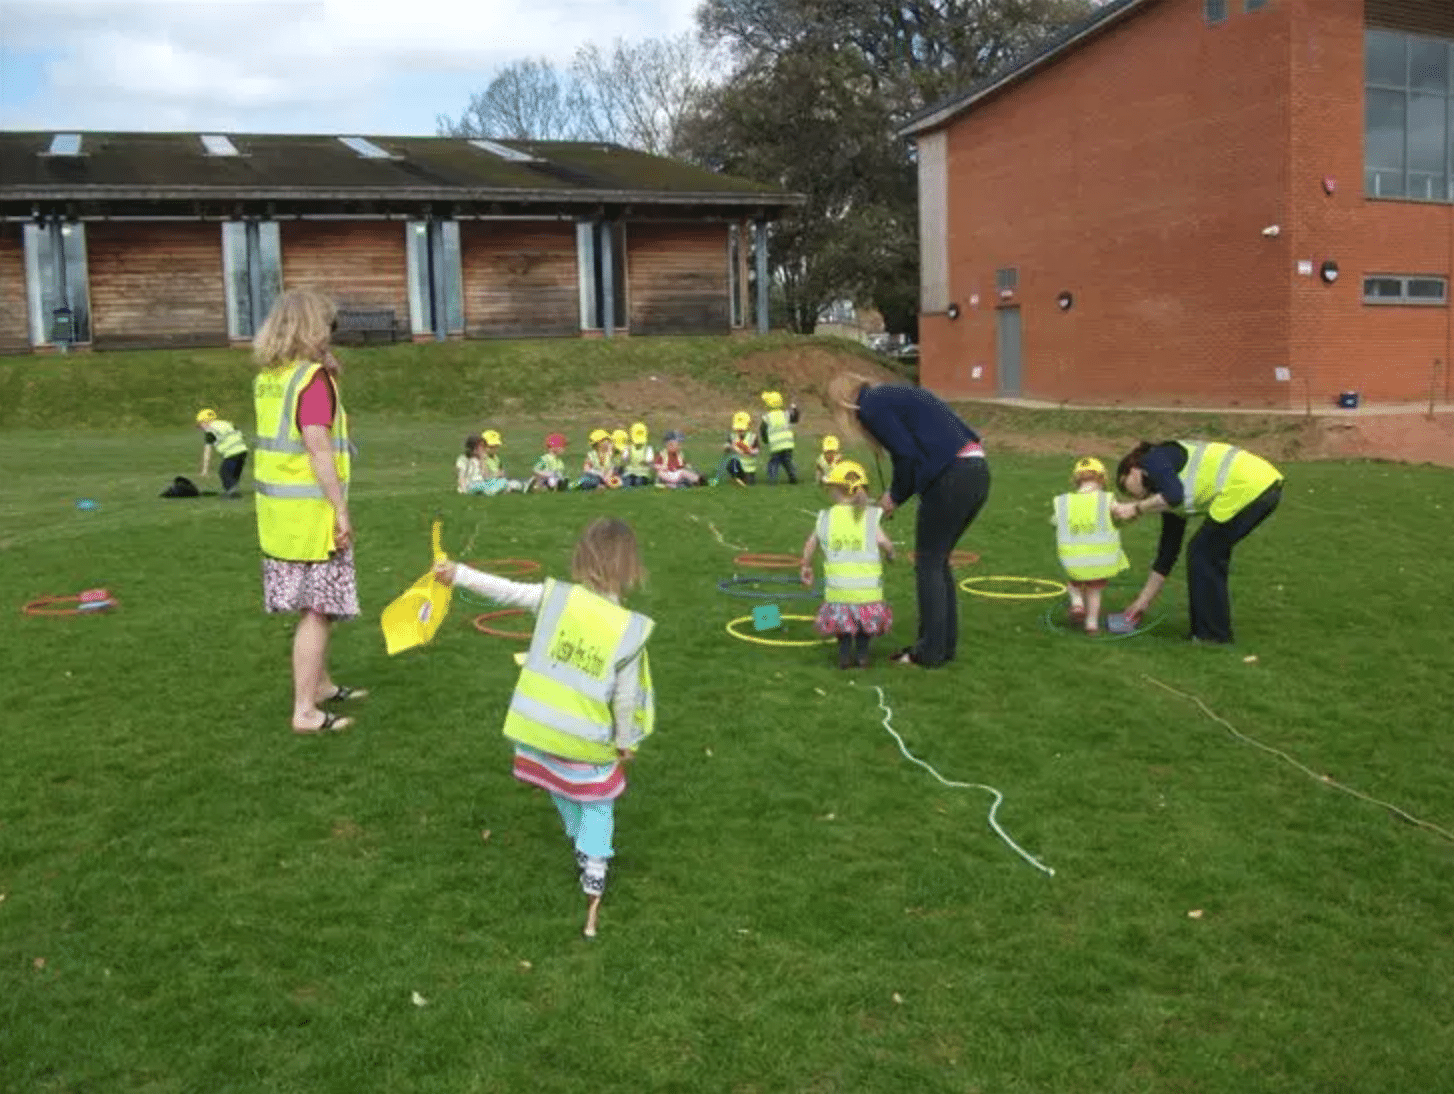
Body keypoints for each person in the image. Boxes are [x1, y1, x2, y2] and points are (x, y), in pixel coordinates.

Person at [432, 517, 654, 939]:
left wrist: (458, 573)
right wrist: (625, 741)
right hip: (586, 741)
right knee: (597, 800)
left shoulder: (555, 598)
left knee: (562, 784)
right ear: (630, 569)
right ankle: (594, 863)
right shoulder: (629, 630)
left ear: (580, 558)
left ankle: (578, 840)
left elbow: (507, 589)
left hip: (538, 733)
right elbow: (626, 698)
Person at [252, 288, 366, 734]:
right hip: (309, 511)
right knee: (317, 609)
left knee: (318, 605)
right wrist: (340, 510)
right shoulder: (310, 380)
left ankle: (319, 685)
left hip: (279, 513)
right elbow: (318, 448)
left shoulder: (273, 376)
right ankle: (305, 710)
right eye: (328, 326)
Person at [826, 372, 990, 668]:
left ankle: (927, 653)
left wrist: (894, 496)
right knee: (938, 561)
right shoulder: (892, 396)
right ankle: (941, 647)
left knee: (928, 562)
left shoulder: (872, 404)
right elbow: (915, 451)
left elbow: (906, 455)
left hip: (953, 476)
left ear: (844, 402)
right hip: (976, 472)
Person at [1110, 439, 1283, 644]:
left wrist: (1136, 508)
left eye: (1125, 485)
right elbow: (1167, 555)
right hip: (1258, 487)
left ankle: (1211, 636)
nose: (1129, 494)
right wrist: (1141, 603)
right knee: (1205, 552)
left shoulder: (1152, 458)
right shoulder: (1166, 492)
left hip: (1251, 486)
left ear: (1133, 469)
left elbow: (1174, 496)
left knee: (1203, 553)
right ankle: (1210, 633)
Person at [799, 460, 895, 669]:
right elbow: (884, 542)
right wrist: (891, 553)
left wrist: (805, 566)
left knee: (843, 626)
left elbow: (811, 543)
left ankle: (844, 656)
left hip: (839, 591)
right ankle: (862, 655)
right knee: (864, 626)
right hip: (867, 592)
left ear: (836, 490)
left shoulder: (826, 517)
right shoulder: (870, 516)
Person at [1051, 457, 1130, 636]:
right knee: (1094, 592)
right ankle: (1091, 625)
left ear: (1076, 479)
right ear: (1102, 478)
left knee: (1073, 584)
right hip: (1100, 561)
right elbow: (1121, 514)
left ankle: (1077, 604)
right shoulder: (1107, 500)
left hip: (1074, 561)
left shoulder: (1064, 502)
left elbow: (1055, 522)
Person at [195, 408, 249, 498]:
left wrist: (205, 470)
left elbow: (207, 451)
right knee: (234, 473)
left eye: (200, 425)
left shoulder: (210, 431)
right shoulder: (226, 423)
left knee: (224, 472)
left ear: (205, 422)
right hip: (243, 451)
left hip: (231, 453)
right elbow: (237, 432)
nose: (201, 428)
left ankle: (232, 492)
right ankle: (232, 489)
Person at [758, 390, 800, 484]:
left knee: (773, 463)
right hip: (788, 444)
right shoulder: (785, 414)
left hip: (776, 445)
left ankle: (772, 480)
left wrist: (765, 440)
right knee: (787, 462)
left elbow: (763, 430)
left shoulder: (767, 417)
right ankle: (793, 476)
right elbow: (795, 418)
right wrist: (795, 409)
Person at [722, 410, 759, 486]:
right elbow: (726, 446)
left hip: (749, 469)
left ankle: (742, 479)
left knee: (750, 482)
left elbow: (757, 450)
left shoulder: (753, 437)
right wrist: (729, 447)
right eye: (738, 430)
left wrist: (750, 451)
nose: (739, 431)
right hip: (737, 465)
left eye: (742, 430)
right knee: (730, 464)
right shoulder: (732, 436)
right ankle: (736, 478)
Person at [621, 422, 655, 487]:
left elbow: (649, 460)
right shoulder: (629, 448)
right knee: (627, 482)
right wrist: (625, 453)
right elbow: (624, 459)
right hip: (630, 472)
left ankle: (645, 480)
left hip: (643, 473)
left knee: (638, 482)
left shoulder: (647, 448)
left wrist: (648, 462)